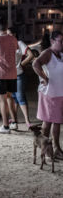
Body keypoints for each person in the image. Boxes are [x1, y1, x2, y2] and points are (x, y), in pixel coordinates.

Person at [32, 30, 63, 159]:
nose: (62, 43)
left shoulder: (60, 54)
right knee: (49, 122)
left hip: (59, 93)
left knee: (56, 122)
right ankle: (50, 149)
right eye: (60, 41)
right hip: (50, 93)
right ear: (52, 41)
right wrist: (44, 77)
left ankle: (53, 148)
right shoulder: (48, 53)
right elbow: (35, 64)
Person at [7, 26, 34, 130]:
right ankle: (15, 119)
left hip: (19, 75)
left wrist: (22, 64)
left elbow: (30, 55)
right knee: (14, 98)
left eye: (10, 34)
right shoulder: (7, 45)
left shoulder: (20, 43)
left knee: (20, 97)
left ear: (14, 34)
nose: (8, 36)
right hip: (9, 76)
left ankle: (27, 121)